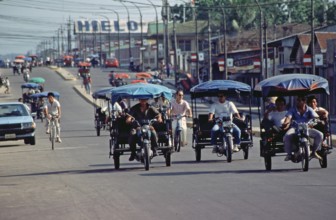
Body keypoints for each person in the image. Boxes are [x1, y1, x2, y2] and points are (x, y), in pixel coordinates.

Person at [282, 96, 323, 161]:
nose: (298, 102)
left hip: (307, 128)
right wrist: (286, 122)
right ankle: (289, 154)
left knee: (320, 135)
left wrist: (317, 121)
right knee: (287, 136)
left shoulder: (309, 109)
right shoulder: (292, 109)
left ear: (304, 101)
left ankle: (314, 152)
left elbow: (316, 117)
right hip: (295, 128)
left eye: (300, 100)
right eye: (297, 100)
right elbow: (288, 117)